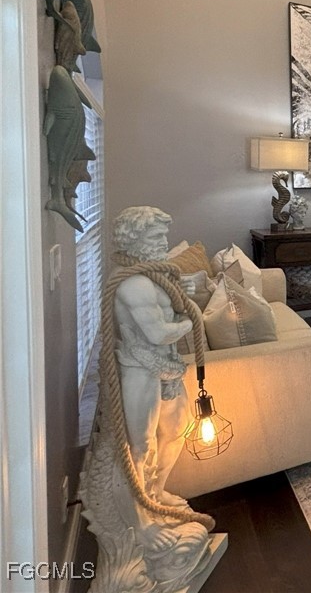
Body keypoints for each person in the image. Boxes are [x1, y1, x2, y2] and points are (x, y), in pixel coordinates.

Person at [110, 206, 194, 548]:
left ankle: (156, 493)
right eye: (157, 236)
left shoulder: (155, 276)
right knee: (139, 445)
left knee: (178, 429)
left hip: (168, 367)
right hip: (140, 369)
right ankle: (141, 520)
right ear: (136, 240)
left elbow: (168, 313)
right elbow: (158, 333)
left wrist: (182, 298)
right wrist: (191, 321)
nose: (165, 241)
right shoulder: (133, 284)